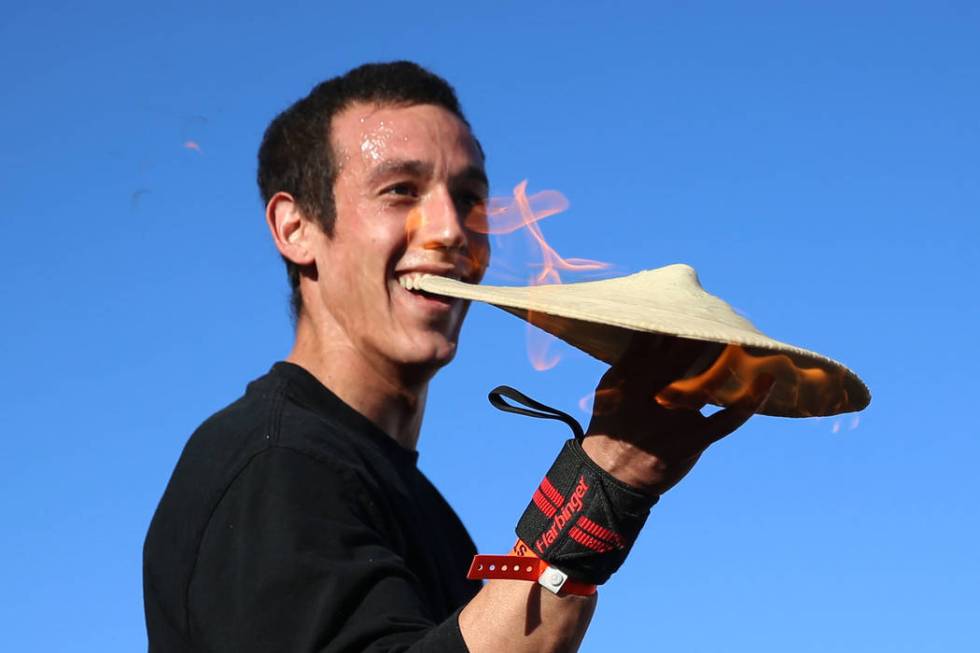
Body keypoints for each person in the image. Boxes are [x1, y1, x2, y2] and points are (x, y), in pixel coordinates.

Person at [143, 61, 771, 652]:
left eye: (470, 196)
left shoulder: (408, 500)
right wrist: (600, 488)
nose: (449, 229)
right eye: (399, 190)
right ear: (296, 228)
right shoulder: (275, 465)